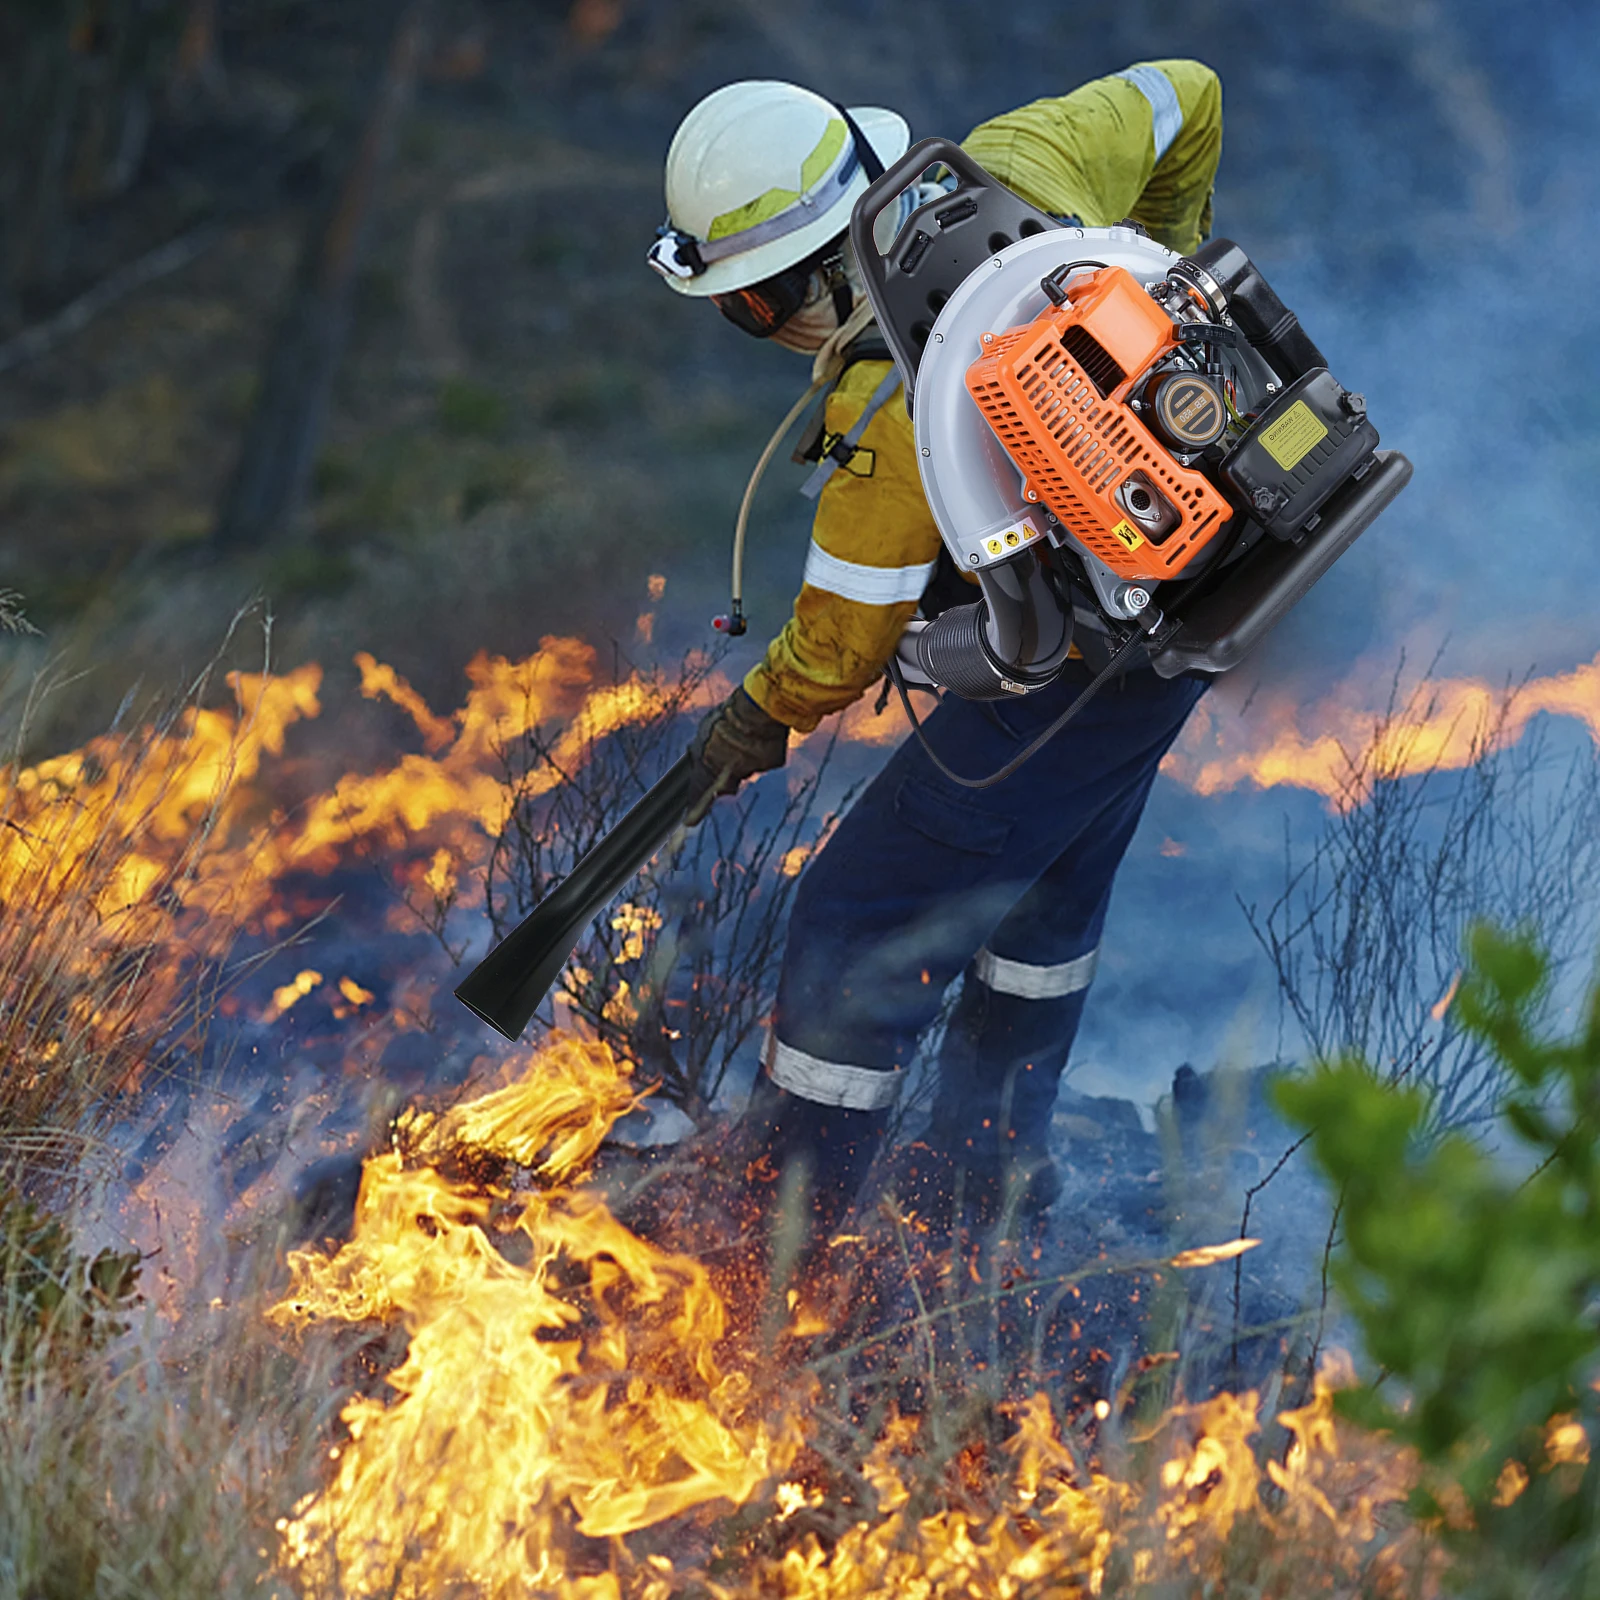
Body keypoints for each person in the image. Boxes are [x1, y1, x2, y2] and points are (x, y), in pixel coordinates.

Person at [648, 64, 1223, 1233]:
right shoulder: (1026, 158)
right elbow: (1188, 93)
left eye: (748, 304)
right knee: (1045, 889)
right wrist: (1166, 284)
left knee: (853, 917)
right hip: (1190, 605)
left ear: (812, 275)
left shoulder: (889, 410)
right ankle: (983, 1181)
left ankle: (780, 1237)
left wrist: (747, 722)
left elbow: (837, 650)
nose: (754, 331)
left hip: (1077, 666)